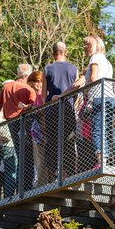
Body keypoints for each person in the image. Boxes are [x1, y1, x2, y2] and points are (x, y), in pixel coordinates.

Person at [66, 35, 115, 169]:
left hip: (99, 97)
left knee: (97, 130)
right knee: (105, 130)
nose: (84, 47)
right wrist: (62, 95)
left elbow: (93, 77)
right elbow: (80, 82)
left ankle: (101, 162)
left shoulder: (95, 57)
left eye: (86, 44)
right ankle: (106, 161)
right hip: (110, 98)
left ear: (94, 44)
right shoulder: (107, 62)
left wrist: (87, 92)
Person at [0, 63, 36, 193]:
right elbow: (34, 105)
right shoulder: (28, 89)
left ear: (18, 74)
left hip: (11, 123)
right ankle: (26, 187)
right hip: (26, 122)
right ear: (30, 75)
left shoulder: (7, 87)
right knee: (28, 155)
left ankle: (20, 186)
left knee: (19, 154)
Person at [42, 42, 78, 179]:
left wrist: (45, 107)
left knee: (52, 141)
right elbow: (76, 91)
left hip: (52, 109)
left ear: (53, 53)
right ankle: (68, 173)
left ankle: (52, 174)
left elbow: (43, 93)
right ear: (66, 52)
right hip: (68, 109)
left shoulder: (47, 69)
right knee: (68, 141)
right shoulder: (74, 69)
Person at [27, 71, 50, 187]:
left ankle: (42, 183)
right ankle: (43, 181)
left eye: (31, 84)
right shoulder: (38, 94)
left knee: (40, 158)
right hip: (39, 130)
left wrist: (31, 109)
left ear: (37, 82)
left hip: (41, 130)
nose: (30, 87)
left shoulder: (41, 94)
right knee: (40, 158)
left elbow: (41, 110)